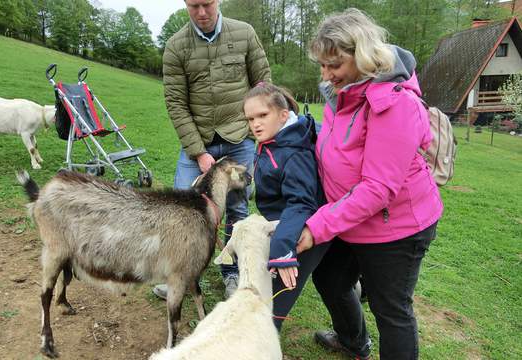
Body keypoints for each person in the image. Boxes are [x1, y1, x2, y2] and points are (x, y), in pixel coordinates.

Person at [297, 8, 443, 360]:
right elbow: (337, 149)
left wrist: (317, 227)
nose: (326, 75)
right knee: (331, 279)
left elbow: (378, 189)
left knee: (390, 309)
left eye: (334, 65)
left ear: (361, 56)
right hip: (352, 219)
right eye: (322, 64)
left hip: (397, 227)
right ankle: (352, 341)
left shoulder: (395, 104)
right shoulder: (341, 93)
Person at [155, 0, 271, 299]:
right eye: (194, 6)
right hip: (199, 142)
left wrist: (254, 128)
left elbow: (262, 83)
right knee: (183, 209)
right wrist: (198, 152)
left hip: (239, 139)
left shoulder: (244, 33)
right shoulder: (175, 46)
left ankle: (232, 274)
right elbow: (176, 104)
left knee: (237, 208)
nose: (202, 12)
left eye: (207, 4)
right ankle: (180, 276)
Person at [243, 83, 329, 331]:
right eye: (250, 118)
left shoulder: (293, 152)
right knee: (334, 287)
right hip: (286, 225)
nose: (255, 124)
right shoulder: (275, 139)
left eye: (262, 115)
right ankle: (354, 340)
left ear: (283, 115)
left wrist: (283, 248)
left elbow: (301, 202)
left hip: (303, 231)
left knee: (274, 302)